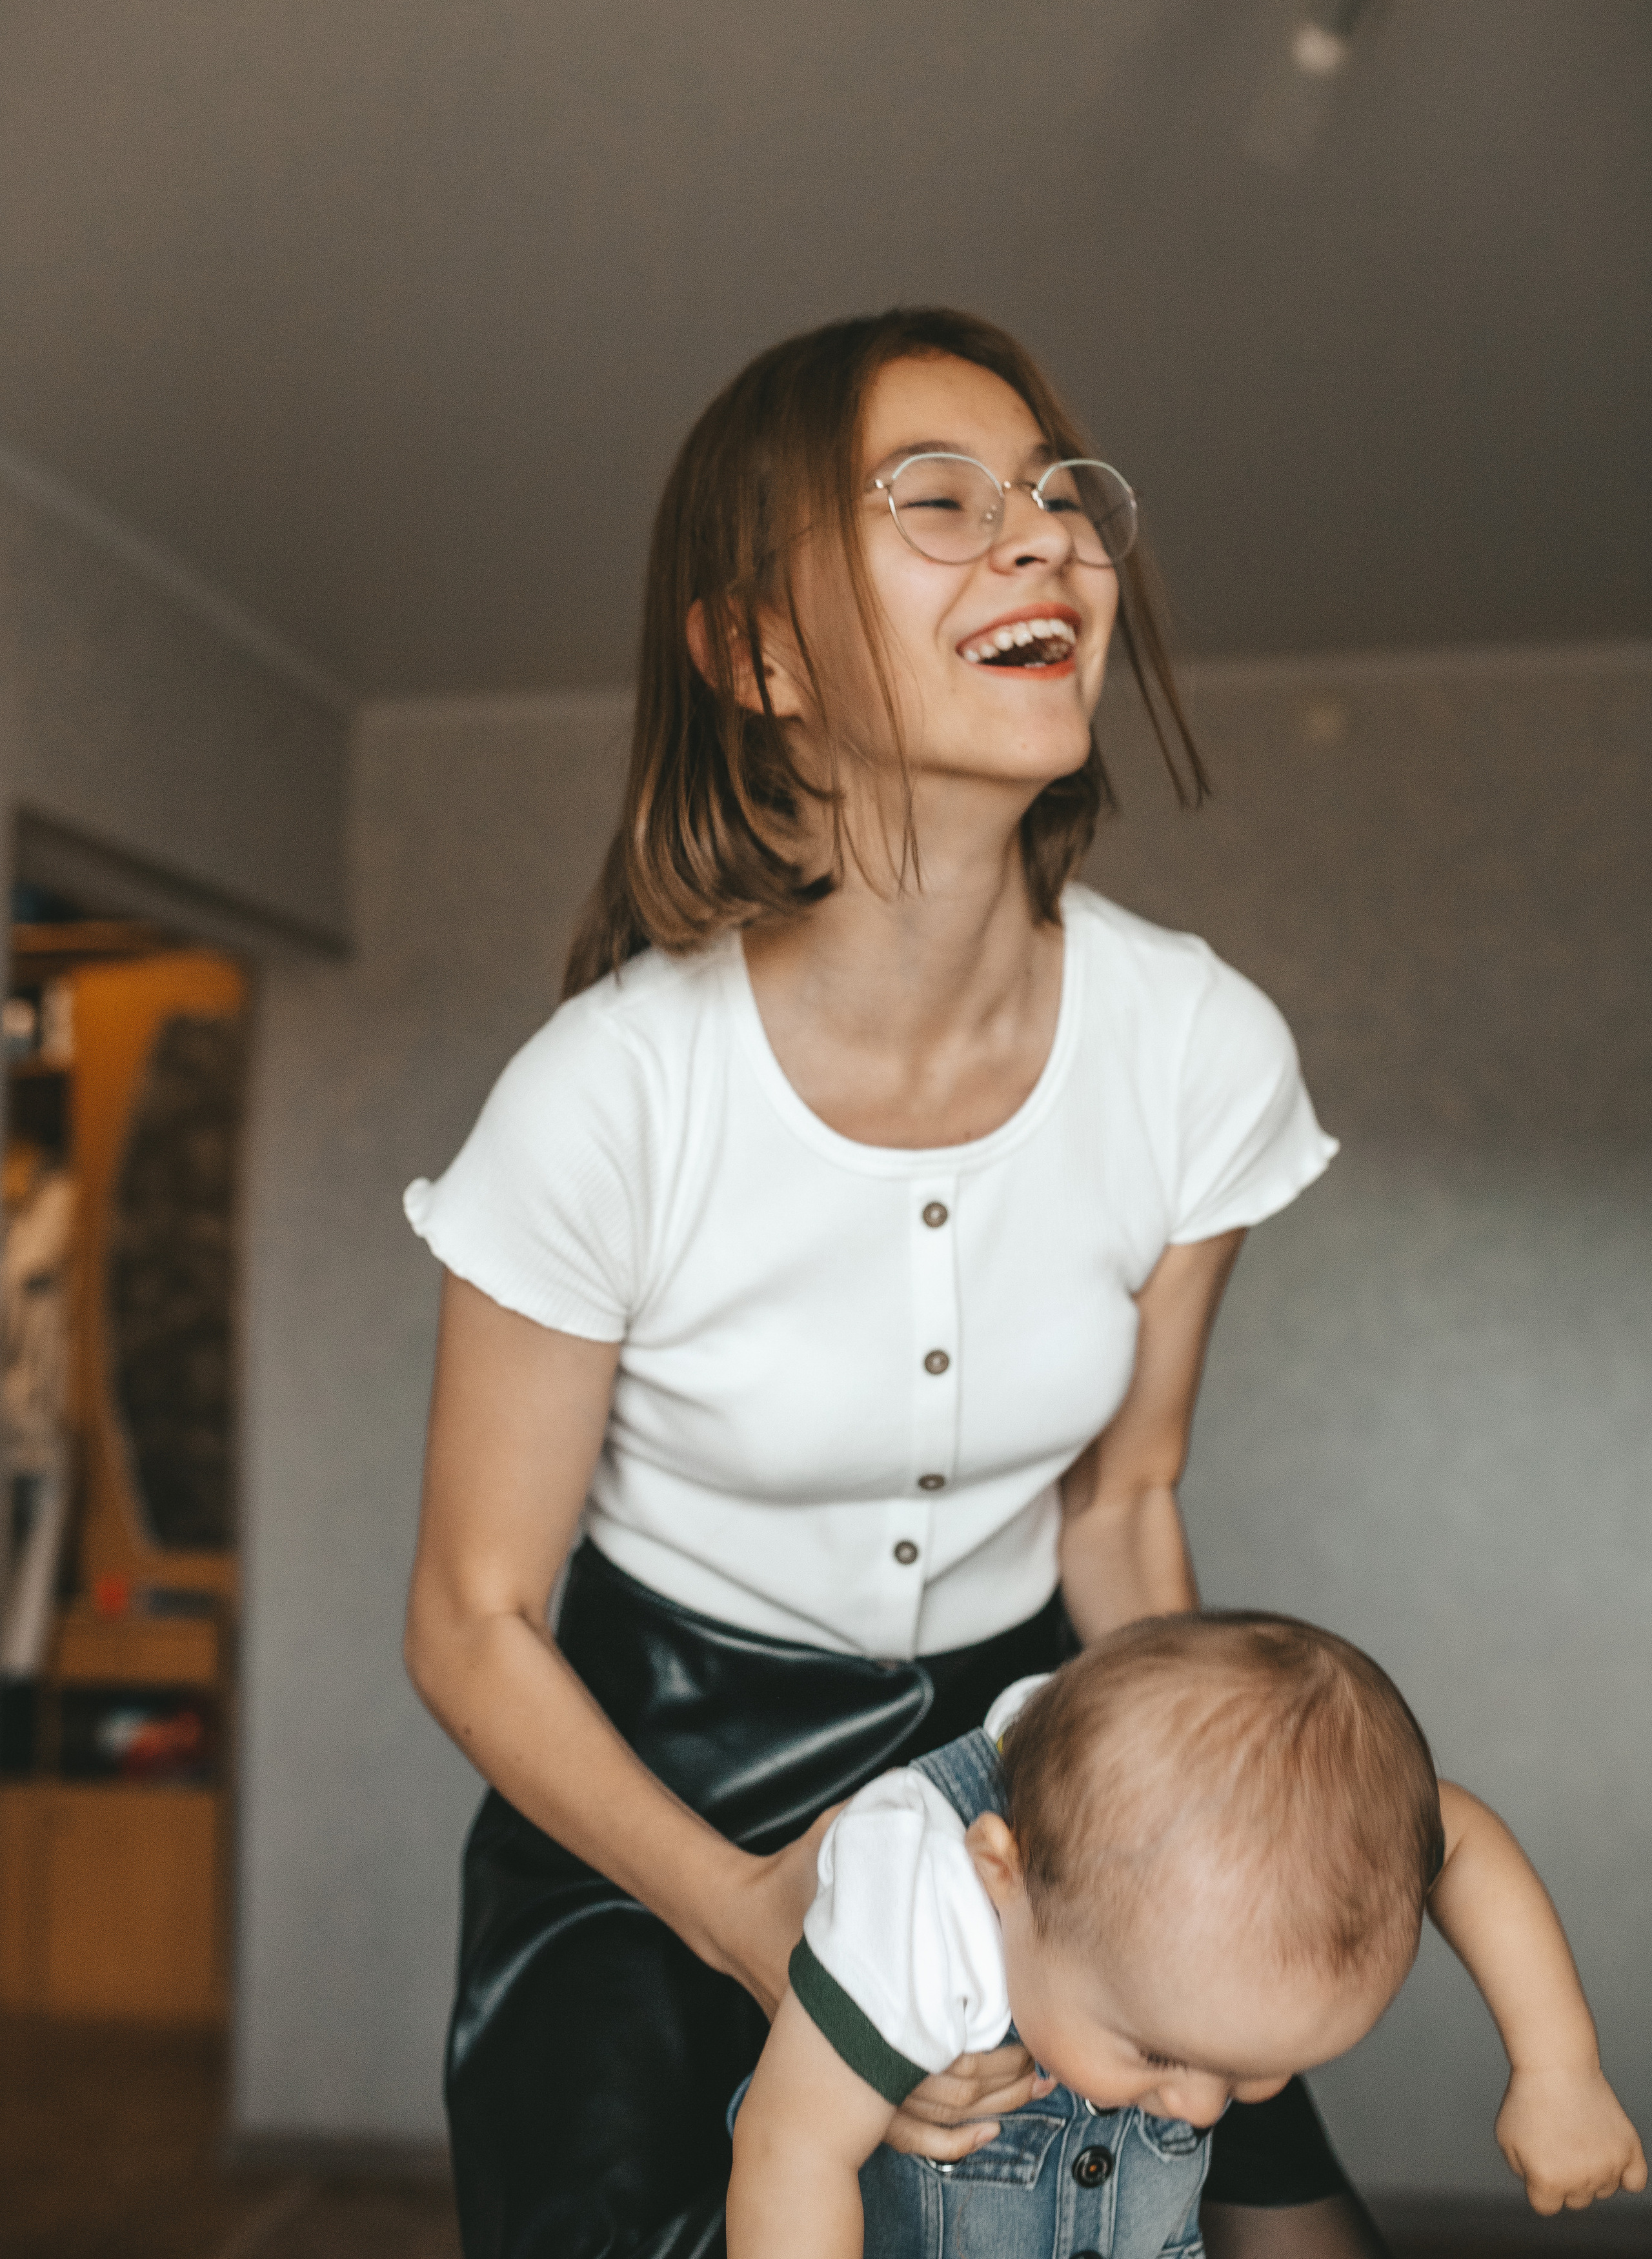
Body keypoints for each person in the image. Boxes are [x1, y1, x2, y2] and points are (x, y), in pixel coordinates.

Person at [406, 308, 1404, 2259]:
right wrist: (750, 1911)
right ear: (758, 653)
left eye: (1058, 498)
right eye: (939, 502)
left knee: (1275, 2205)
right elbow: (472, 1617)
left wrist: (1206, 1833)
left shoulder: (1200, 1049)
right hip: (641, 1810)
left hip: (1023, 1751)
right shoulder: (607, 1093)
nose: (1041, 540)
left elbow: (1118, 1506)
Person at [726, 1612, 1646, 2259]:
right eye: (1159, 2052)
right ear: (1004, 1876)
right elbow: (789, 2152)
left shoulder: (1297, 1840)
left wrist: (1558, 2067)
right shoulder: (917, 1903)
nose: (1205, 2111)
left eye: (1252, 2074)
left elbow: (1466, 1842)